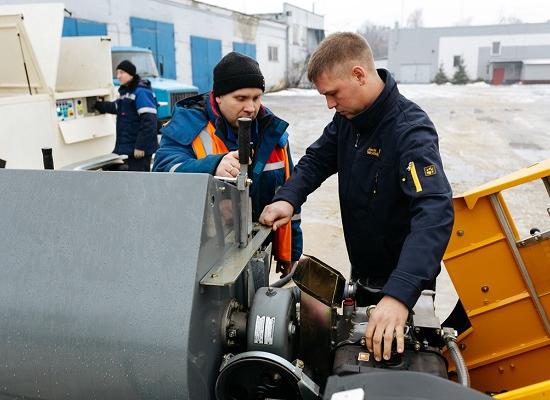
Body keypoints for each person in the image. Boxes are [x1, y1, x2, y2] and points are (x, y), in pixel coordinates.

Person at [259, 33, 454, 362]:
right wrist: (288, 198)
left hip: (403, 283)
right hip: (363, 273)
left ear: (359, 74)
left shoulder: (409, 131)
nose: (330, 104)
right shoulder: (349, 119)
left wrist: (400, 295)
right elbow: (317, 159)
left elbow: (434, 213)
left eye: (333, 94)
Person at [153, 52, 302, 273]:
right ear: (219, 96)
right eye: (241, 98)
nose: (251, 107)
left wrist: (291, 252)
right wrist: (212, 166)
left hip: (257, 253)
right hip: (201, 257)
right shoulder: (187, 126)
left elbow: (289, 194)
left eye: (257, 97)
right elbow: (162, 172)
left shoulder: (273, 133)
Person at [95, 60, 158, 171]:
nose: (118, 76)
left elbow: (149, 121)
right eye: (117, 73)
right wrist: (97, 105)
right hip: (128, 149)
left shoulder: (141, 92)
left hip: (139, 151)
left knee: (138, 183)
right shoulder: (126, 93)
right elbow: (116, 107)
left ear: (130, 74)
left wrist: (140, 146)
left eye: (121, 72)